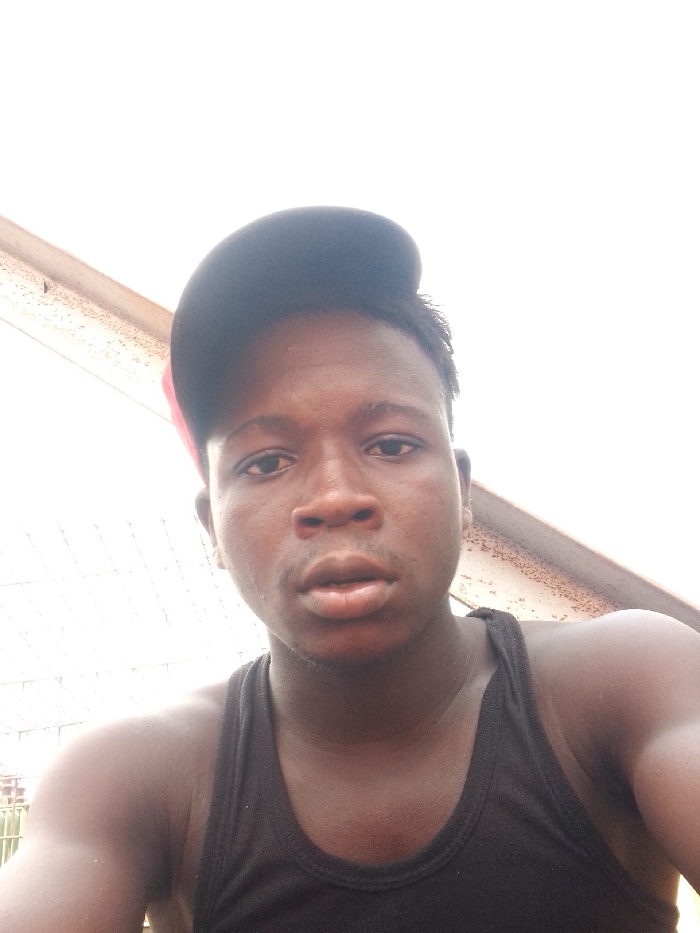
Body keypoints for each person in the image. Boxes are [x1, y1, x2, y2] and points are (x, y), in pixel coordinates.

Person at [0, 207, 698, 933]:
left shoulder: (623, 683)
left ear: (461, 492)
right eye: (267, 462)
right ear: (213, 526)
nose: (335, 497)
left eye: (391, 445)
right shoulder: (137, 775)